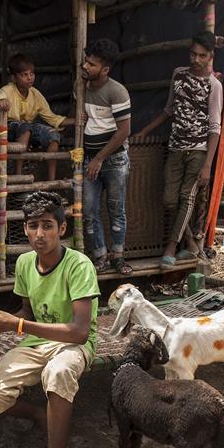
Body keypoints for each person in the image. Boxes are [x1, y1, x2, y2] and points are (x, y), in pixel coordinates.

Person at [0, 191, 100, 448]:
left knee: (59, 374)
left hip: (73, 346)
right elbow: (26, 312)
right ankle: (40, 415)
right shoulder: (23, 263)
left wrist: (17, 323)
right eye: (33, 226)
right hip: (36, 343)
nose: (39, 234)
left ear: (62, 229)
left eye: (47, 225)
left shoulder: (79, 265)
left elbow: (78, 331)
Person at [137, 31, 223, 265]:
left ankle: (171, 247)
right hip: (175, 146)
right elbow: (169, 109)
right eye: (193, 54)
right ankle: (191, 243)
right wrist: (145, 130)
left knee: (187, 198)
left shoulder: (214, 85)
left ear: (210, 56)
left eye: (202, 56)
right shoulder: (178, 75)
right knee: (169, 200)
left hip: (198, 150)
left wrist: (207, 165)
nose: (196, 59)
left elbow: (215, 127)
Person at [80, 39, 133, 276]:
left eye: (91, 64)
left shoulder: (117, 91)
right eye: (86, 61)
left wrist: (99, 158)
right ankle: (100, 256)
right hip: (90, 158)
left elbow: (124, 131)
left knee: (116, 208)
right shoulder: (80, 86)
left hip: (113, 160)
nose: (85, 66)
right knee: (89, 210)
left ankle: (118, 257)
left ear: (105, 69)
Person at [0, 53, 74, 180]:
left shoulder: (36, 94)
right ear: (14, 78)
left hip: (28, 128)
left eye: (31, 74)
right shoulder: (7, 90)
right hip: (9, 128)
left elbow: (51, 117)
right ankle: (19, 174)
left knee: (53, 134)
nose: (29, 78)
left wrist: (74, 121)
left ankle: (51, 181)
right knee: (25, 127)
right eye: (24, 75)